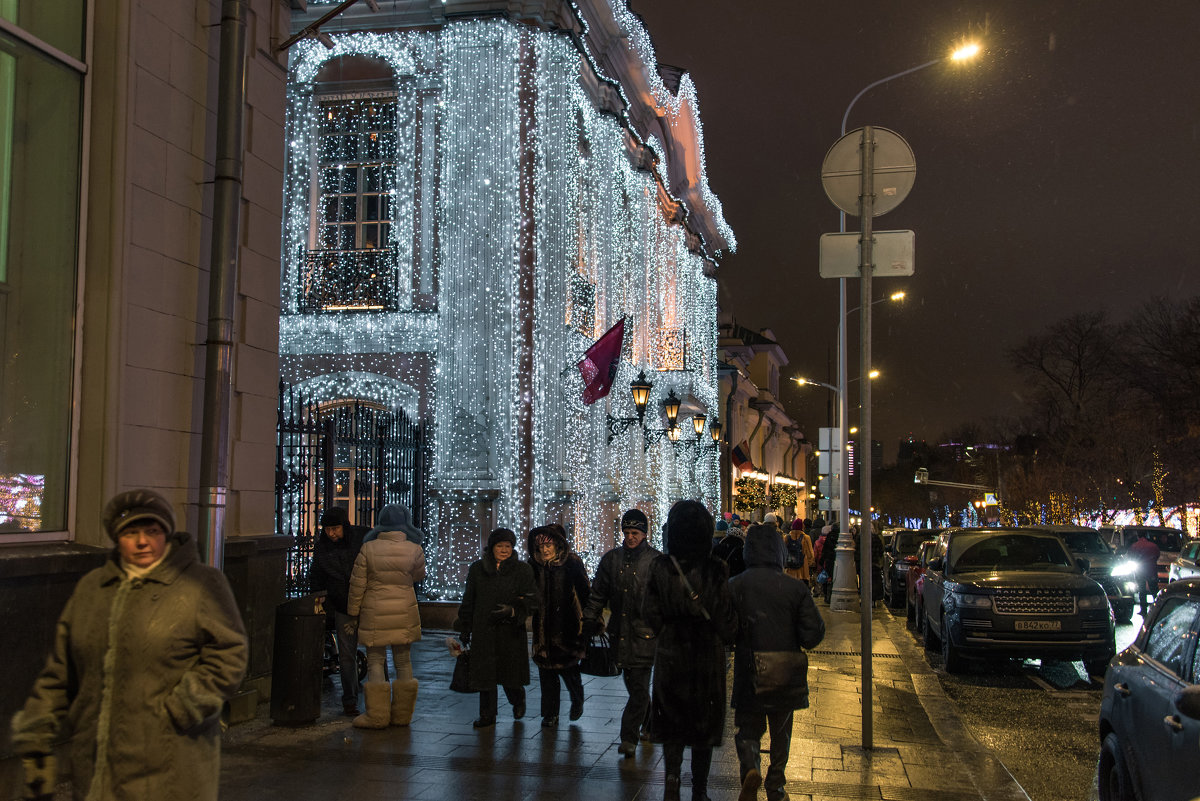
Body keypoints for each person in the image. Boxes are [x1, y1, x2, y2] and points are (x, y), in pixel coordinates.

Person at [11, 489, 248, 801]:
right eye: (130, 532)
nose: (142, 542)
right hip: (96, 765)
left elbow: (230, 653)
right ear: (116, 537)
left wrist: (183, 707)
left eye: (152, 531)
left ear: (166, 534)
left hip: (169, 763)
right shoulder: (92, 589)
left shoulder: (200, 584)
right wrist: (36, 736)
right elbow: (60, 672)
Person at [644, 500, 738, 801]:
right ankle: (699, 791)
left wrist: (668, 627)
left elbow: (650, 613)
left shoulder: (660, 567)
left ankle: (672, 779)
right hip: (706, 657)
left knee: (672, 723)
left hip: (671, 654)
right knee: (703, 727)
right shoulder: (716, 569)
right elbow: (725, 620)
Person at [730, 524, 826, 801]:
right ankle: (776, 786)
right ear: (779, 551)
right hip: (785, 671)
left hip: (749, 668)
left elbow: (725, 629)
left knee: (747, 730)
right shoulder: (794, 588)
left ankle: (750, 768)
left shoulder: (736, 585)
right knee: (781, 734)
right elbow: (812, 635)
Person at [582, 508, 661, 757]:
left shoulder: (655, 561)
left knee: (638, 688)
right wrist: (589, 620)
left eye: (635, 532)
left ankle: (629, 737)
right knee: (634, 686)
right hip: (619, 634)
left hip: (645, 636)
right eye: (627, 532)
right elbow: (598, 593)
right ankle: (650, 725)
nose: (630, 537)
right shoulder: (612, 559)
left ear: (645, 533)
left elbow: (663, 600)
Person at [346, 503, 426, 728]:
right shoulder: (414, 549)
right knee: (403, 661)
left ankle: (377, 716)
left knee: (375, 660)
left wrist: (353, 612)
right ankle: (402, 715)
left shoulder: (368, 549)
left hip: (375, 610)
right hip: (404, 610)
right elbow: (419, 575)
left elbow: (357, 584)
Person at [455, 527, 538, 728]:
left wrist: (512, 611)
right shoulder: (478, 569)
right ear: (491, 548)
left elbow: (532, 600)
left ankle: (518, 699)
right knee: (485, 676)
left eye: (507, 546)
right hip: (484, 629)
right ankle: (487, 715)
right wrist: (465, 627)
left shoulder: (522, 570)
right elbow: (469, 599)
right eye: (500, 546)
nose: (504, 550)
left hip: (510, 630)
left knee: (510, 675)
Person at [527, 524, 590, 728]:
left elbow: (584, 593)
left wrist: (590, 621)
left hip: (568, 629)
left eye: (549, 546)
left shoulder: (571, 563)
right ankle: (550, 714)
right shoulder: (533, 566)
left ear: (558, 546)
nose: (545, 550)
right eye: (541, 547)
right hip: (543, 631)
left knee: (569, 671)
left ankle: (577, 698)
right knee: (547, 675)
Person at [309, 505, 368, 715]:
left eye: (335, 528)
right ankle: (350, 700)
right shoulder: (322, 548)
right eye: (327, 529)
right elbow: (316, 574)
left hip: (366, 603)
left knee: (376, 653)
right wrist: (320, 596)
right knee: (346, 655)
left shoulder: (362, 538)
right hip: (342, 604)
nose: (332, 533)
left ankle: (378, 697)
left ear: (345, 526)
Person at [1127, 530, 1161, 613]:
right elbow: (1157, 555)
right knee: (1154, 590)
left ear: (1138, 536)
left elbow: (1131, 557)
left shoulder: (1134, 546)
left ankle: (1143, 609)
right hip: (1151, 570)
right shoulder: (1153, 546)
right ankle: (1158, 608)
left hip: (1140, 570)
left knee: (1142, 590)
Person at [783, 518, 815, 583]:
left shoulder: (786, 537)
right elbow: (810, 554)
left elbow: (783, 551)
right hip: (803, 569)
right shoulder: (806, 538)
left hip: (790, 567)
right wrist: (809, 563)